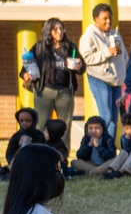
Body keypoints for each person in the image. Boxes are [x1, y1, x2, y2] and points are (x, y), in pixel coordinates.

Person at [20, 18, 84, 152]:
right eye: (56, 29)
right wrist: (26, 75)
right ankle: (38, 154)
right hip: (44, 91)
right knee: (40, 125)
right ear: (49, 31)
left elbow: (82, 68)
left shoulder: (70, 47)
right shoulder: (39, 47)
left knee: (65, 126)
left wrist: (79, 65)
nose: (59, 32)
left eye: (61, 29)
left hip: (65, 92)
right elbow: (25, 68)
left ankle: (62, 158)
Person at [79, 3, 126, 139]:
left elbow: (125, 57)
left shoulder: (116, 34)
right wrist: (107, 52)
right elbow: (85, 58)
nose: (108, 21)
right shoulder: (89, 35)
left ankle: (110, 151)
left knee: (114, 118)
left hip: (117, 81)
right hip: (99, 79)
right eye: (104, 18)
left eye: (109, 18)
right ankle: (100, 149)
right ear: (96, 19)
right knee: (105, 116)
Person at [102, 111, 131, 180]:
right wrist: (127, 141)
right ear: (124, 128)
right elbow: (126, 151)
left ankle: (121, 171)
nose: (130, 131)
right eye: (127, 128)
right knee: (123, 152)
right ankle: (110, 170)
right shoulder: (124, 138)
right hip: (128, 161)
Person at [2, 108, 45, 178]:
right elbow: (10, 151)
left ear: (34, 121)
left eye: (28, 121)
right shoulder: (16, 136)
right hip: (18, 163)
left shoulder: (39, 135)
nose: (24, 123)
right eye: (21, 121)